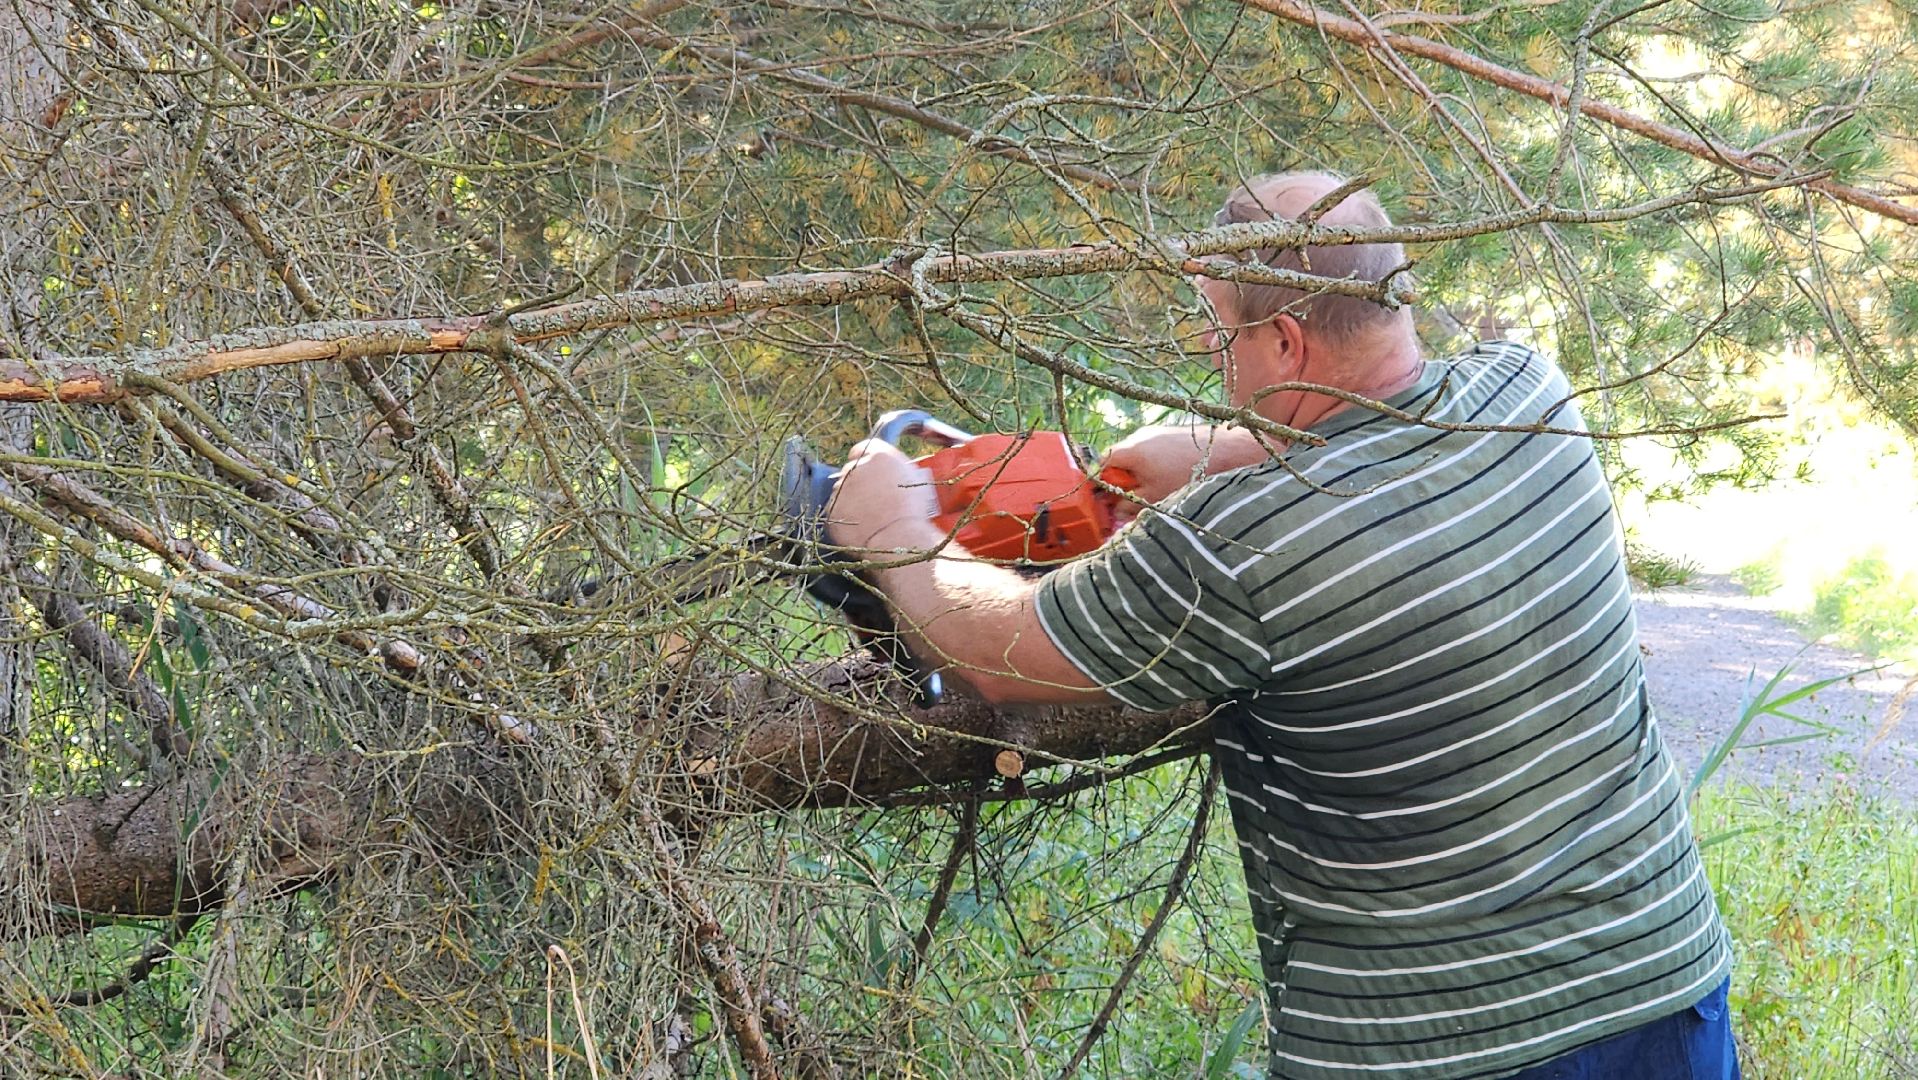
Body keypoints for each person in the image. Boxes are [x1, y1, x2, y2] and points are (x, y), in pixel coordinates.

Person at [823, 171, 1740, 1080]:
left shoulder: (1245, 544)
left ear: (1287, 340)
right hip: (1661, 981)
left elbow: (999, 649)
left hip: (1439, 1050)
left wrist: (891, 528)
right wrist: (1212, 447)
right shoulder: (1530, 395)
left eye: (1225, 338)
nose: (1219, 365)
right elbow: (1379, 433)